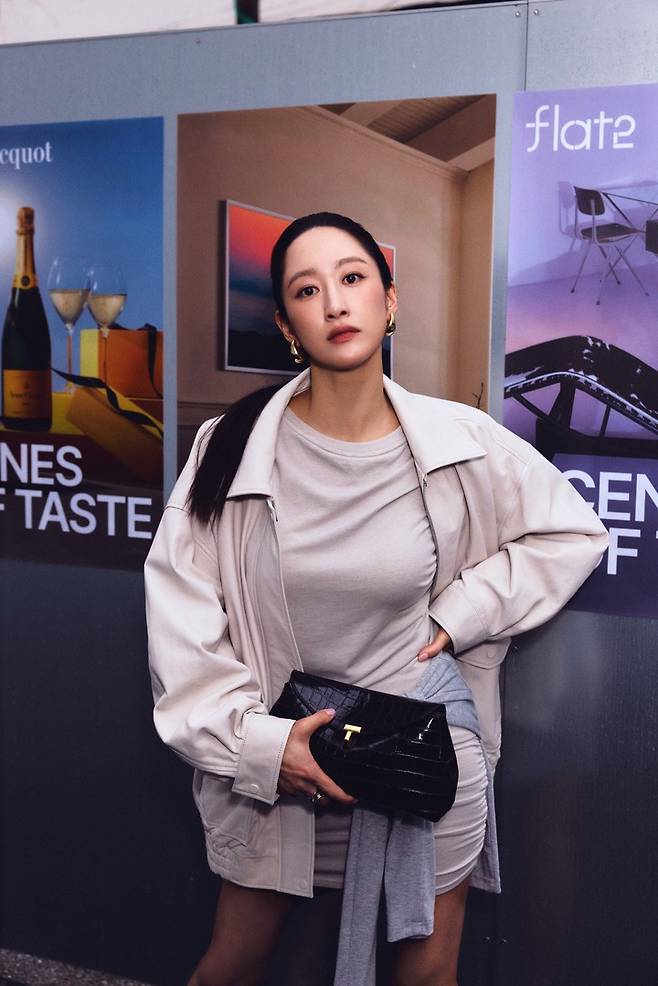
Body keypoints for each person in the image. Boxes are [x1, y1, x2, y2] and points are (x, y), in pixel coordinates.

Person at [144, 212, 609, 986]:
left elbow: (574, 533)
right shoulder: (228, 446)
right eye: (307, 290)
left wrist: (462, 612)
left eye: (353, 278)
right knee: (233, 966)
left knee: (425, 977)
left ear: (389, 302)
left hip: (421, 755)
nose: (334, 302)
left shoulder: (461, 439)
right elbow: (183, 623)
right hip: (282, 763)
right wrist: (263, 747)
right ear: (287, 325)